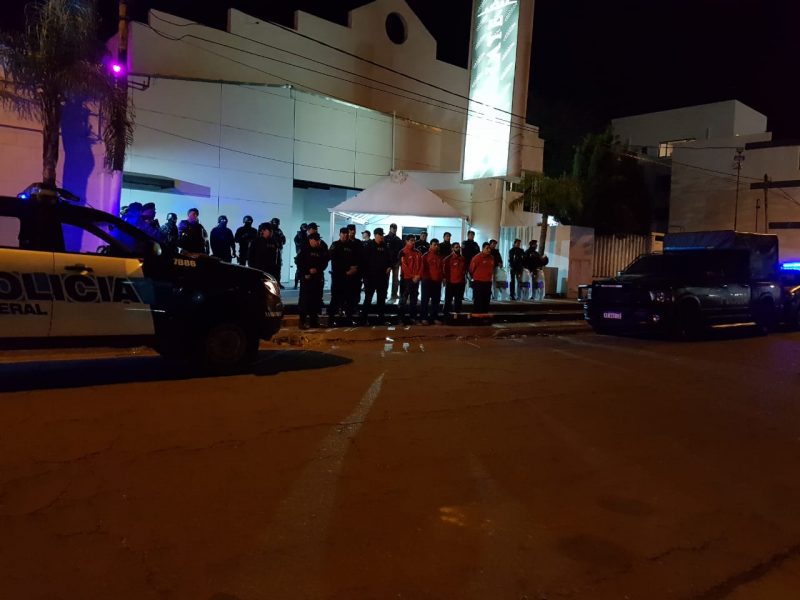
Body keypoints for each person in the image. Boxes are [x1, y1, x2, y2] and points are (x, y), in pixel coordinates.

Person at [295, 232, 329, 329]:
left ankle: (314, 321)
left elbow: (325, 262)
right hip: (307, 278)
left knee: (316, 299)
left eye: (318, 240)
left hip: (317, 278)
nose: (318, 242)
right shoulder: (304, 249)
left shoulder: (321, 249)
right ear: (310, 240)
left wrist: (317, 269)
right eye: (316, 240)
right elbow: (299, 262)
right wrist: (306, 272)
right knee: (305, 300)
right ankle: (302, 321)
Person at [360, 227, 394, 324]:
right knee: (368, 298)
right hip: (370, 277)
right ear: (375, 235)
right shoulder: (369, 246)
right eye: (380, 235)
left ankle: (381, 319)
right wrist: (364, 276)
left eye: (382, 235)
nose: (382, 237)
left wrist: (389, 266)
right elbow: (363, 261)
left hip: (382, 277)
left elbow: (390, 259)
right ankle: (363, 319)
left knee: (381, 299)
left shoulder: (385, 246)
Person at [328, 227, 360, 326]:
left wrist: (355, 268)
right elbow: (331, 258)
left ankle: (348, 319)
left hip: (350, 277)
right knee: (335, 299)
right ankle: (331, 320)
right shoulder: (335, 245)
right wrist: (344, 271)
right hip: (338, 277)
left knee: (349, 299)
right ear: (339, 234)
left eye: (346, 233)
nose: (345, 235)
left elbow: (357, 258)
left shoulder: (352, 245)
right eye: (343, 233)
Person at [398, 234, 423, 325]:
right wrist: (413, 276)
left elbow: (421, 265)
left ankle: (413, 318)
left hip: (416, 280)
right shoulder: (402, 252)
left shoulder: (418, 252)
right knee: (403, 300)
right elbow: (404, 266)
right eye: (411, 240)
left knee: (414, 300)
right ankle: (401, 319)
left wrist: (418, 276)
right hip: (406, 280)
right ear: (406, 241)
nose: (413, 242)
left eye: (414, 240)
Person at [420, 238, 444, 325]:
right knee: (425, 301)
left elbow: (441, 269)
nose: (436, 246)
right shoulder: (425, 256)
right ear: (430, 245)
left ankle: (434, 318)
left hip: (437, 281)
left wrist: (442, 278)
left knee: (436, 301)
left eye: (437, 245)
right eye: (435, 245)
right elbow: (422, 269)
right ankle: (424, 318)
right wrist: (424, 278)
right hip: (427, 281)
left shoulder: (439, 256)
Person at [470, 242, 495, 313]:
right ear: (483, 249)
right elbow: (471, 270)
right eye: (487, 248)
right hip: (478, 282)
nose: (489, 250)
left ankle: (485, 315)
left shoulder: (492, 258)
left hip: (488, 282)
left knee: (486, 300)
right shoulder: (477, 258)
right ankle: (477, 316)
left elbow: (492, 269)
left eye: (489, 248)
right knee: (478, 301)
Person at [443, 241, 466, 315]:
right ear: (452, 248)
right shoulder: (448, 259)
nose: (458, 248)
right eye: (456, 247)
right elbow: (444, 271)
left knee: (458, 300)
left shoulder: (462, 258)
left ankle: (457, 315)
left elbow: (463, 270)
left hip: (460, 282)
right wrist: (445, 279)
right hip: (450, 282)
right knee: (448, 300)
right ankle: (446, 315)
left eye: (459, 247)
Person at [384, 223, 403, 301]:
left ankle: (394, 294)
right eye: (393, 228)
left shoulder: (398, 239)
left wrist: (399, 261)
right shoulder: (385, 238)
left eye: (395, 228)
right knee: (385, 279)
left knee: (395, 279)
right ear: (390, 228)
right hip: (387, 262)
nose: (395, 229)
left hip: (396, 262)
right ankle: (384, 294)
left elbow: (401, 251)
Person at [461, 230, 480, 300]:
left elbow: (478, 254)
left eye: (473, 235)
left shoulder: (475, 244)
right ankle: (462, 295)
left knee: (474, 281)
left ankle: (473, 296)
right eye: (470, 235)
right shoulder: (464, 243)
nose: (471, 236)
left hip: (474, 265)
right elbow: (462, 253)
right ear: (468, 235)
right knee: (464, 281)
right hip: (466, 264)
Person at [270, 217, 287, 288]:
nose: (276, 225)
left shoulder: (279, 231)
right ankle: (271, 283)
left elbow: (284, 240)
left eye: (277, 224)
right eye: (275, 224)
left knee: (278, 267)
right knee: (271, 267)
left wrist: (280, 240)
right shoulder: (269, 230)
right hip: (270, 251)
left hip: (278, 251)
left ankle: (278, 283)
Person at [293, 223, 308, 289]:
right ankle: (295, 285)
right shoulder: (298, 235)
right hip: (300, 254)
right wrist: (302, 245)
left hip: (306, 254)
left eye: (306, 228)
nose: (305, 229)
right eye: (304, 227)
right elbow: (296, 242)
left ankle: (303, 284)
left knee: (305, 270)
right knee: (299, 270)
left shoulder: (307, 235)